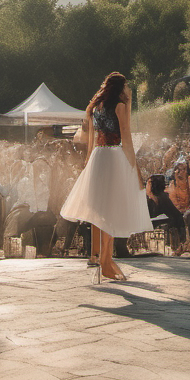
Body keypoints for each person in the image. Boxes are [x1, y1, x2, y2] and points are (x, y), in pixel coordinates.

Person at [60, 71, 151, 282]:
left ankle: (104, 259)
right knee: (111, 208)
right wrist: (134, 168)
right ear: (120, 88)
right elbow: (126, 138)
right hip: (113, 156)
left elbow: (91, 140)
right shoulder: (119, 106)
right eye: (126, 87)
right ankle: (106, 261)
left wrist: (88, 164)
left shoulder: (94, 108)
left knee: (101, 209)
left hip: (98, 158)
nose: (128, 90)